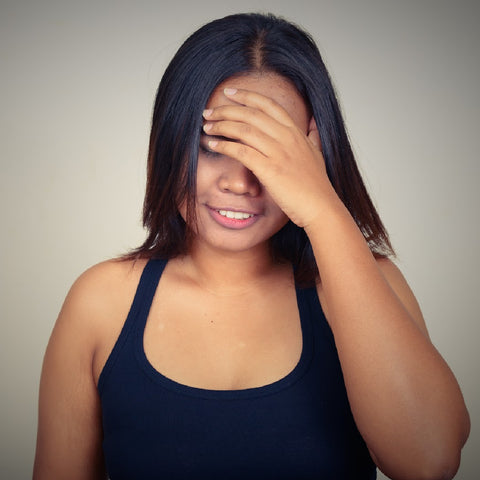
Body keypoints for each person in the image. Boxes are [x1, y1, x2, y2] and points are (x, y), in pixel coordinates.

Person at [33, 12, 470, 480]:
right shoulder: (102, 301)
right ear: (169, 141)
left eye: (270, 154)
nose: (240, 183)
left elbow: (429, 462)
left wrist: (322, 209)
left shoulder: (369, 282)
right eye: (214, 146)